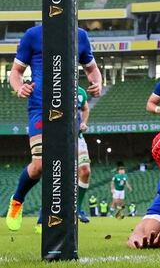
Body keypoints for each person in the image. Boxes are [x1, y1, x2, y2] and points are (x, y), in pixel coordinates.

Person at [6, 25, 101, 231]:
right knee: (40, 165)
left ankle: (50, 216)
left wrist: (97, 83)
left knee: (69, 167)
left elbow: (91, 68)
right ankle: (17, 200)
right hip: (40, 106)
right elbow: (16, 72)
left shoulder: (80, 36)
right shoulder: (32, 35)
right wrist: (19, 87)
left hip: (68, 110)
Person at [76, 85, 93, 223]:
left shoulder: (80, 92)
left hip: (77, 136)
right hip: (58, 138)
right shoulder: (54, 88)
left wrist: (83, 123)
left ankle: (77, 208)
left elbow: (85, 108)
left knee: (85, 171)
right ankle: (45, 213)